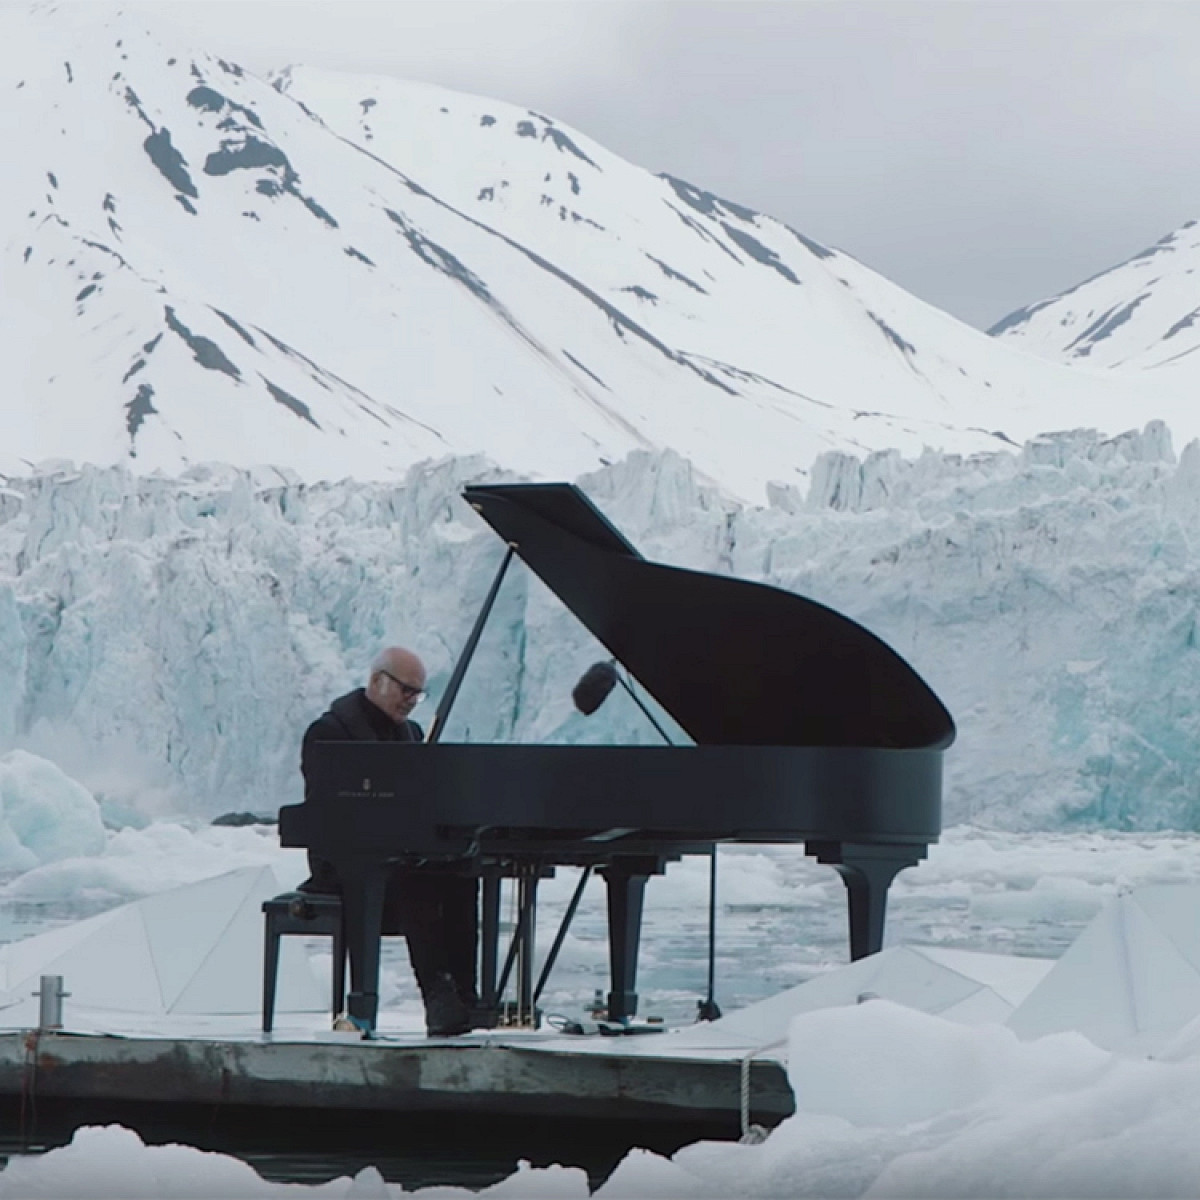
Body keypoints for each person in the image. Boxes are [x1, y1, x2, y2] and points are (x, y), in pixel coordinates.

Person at [298, 647, 480, 1037]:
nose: (412, 702)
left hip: (396, 855)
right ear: (378, 680)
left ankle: (464, 995)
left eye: (418, 694)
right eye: (406, 691)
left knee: (463, 874)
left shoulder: (411, 735)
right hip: (341, 863)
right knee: (414, 878)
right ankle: (436, 995)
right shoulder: (329, 732)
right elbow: (324, 810)